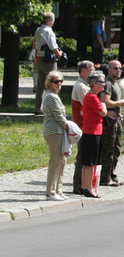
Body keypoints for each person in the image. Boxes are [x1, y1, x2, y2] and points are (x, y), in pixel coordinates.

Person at [98, 59, 124, 186]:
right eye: (115, 68)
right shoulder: (108, 83)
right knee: (108, 150)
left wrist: (117, 110)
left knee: (116, 149)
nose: (118, 70)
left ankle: (111, 173)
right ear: (109, 69)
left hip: (115, 119)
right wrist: (118, 104)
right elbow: (104, 100)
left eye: (120, 68)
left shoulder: (116, 84)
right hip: (108, 121)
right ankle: (105, 177)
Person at [41, 71, 69, 201]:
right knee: (55, 162)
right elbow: (59, 116)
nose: (59, 84)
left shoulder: (54, 95)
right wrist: (70, 128)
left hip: (59, 131)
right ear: (49, 83)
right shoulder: (51, 96)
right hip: (54, 131)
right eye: (55, 81)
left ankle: (58, 189)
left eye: (60, 81)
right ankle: (50, 192)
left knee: (62, 161)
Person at [78, 72, 107, 198]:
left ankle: (85, 186)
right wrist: (104, 106)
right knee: (91, 162)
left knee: (87, 162)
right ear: (94, 83)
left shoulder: (89, 96)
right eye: (101, 82)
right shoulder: (93, 97)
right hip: (92, 131)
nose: (104, 84)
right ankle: (89, 188)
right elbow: (103, 113)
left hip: (89, 131)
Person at [69, 61, 94, 195]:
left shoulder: (83, 85)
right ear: (83, 71)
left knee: (84, 154)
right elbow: (88, 106)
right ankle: (78, 184)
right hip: (82, 125)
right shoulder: (81, 87)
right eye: (91, 69)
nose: (93, 72)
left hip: (83, 124)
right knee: (83, 155)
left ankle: (81, 184)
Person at [33, 12, 65, 114]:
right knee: (53, 84)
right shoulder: (49, 31)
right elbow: (53, 47)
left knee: (40, 85)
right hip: (49, 60)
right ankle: (53, 108)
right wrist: (60, 56)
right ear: (51, 21)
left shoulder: (38, 30)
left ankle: (38, 108)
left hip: (40, 59)